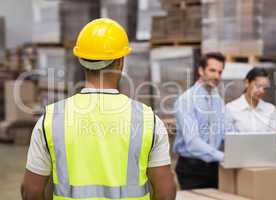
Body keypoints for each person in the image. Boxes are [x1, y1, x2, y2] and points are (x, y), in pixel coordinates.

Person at [21, 18, 176, 200]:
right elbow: (166, 193)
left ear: (81, 60)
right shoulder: (148, 120)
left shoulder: (51, 120)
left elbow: (31, 192)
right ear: (120, 62)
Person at [173, 52, 234, 190]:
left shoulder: (217, 100)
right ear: (201, 70)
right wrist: (223, 156)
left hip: (214, 166)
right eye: (212, 70)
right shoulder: (186, 100)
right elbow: (192, 142)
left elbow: (226, 131)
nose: (217, 76)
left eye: (220, 72)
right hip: (192, 170)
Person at [226, 67, 276, 132]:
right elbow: (229, 139)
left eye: (265, 88)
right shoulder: (231, 109)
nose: (262, 91)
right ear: (247, 83)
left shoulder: (271, 110)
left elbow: (272, 139)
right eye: (258, 86)